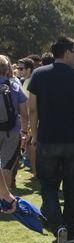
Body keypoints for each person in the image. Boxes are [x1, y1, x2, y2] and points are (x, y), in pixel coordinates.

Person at [27, 36, 74, 243]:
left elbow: (32, 108)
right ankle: (71, 230)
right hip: (73, 140)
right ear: (66, 53)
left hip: (47, 139)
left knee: (48, 185)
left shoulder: (38, 75)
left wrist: (34, 135)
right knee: (72, 186)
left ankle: (58, 227)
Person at [0, 55, 29, 193]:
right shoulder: (15, 86)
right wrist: (24, 132)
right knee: (7, 165)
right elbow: (24, 113)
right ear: (7, 69)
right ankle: (4, 197)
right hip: (12, 131)